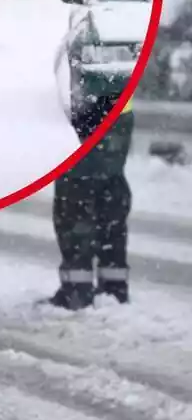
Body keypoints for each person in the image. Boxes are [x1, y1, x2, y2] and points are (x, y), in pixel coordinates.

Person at [46, 94, 134, 310]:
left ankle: (77, 291)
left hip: (85, 110)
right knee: (110, 194)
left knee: (76, 200)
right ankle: (115, 287)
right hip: (120, 113)